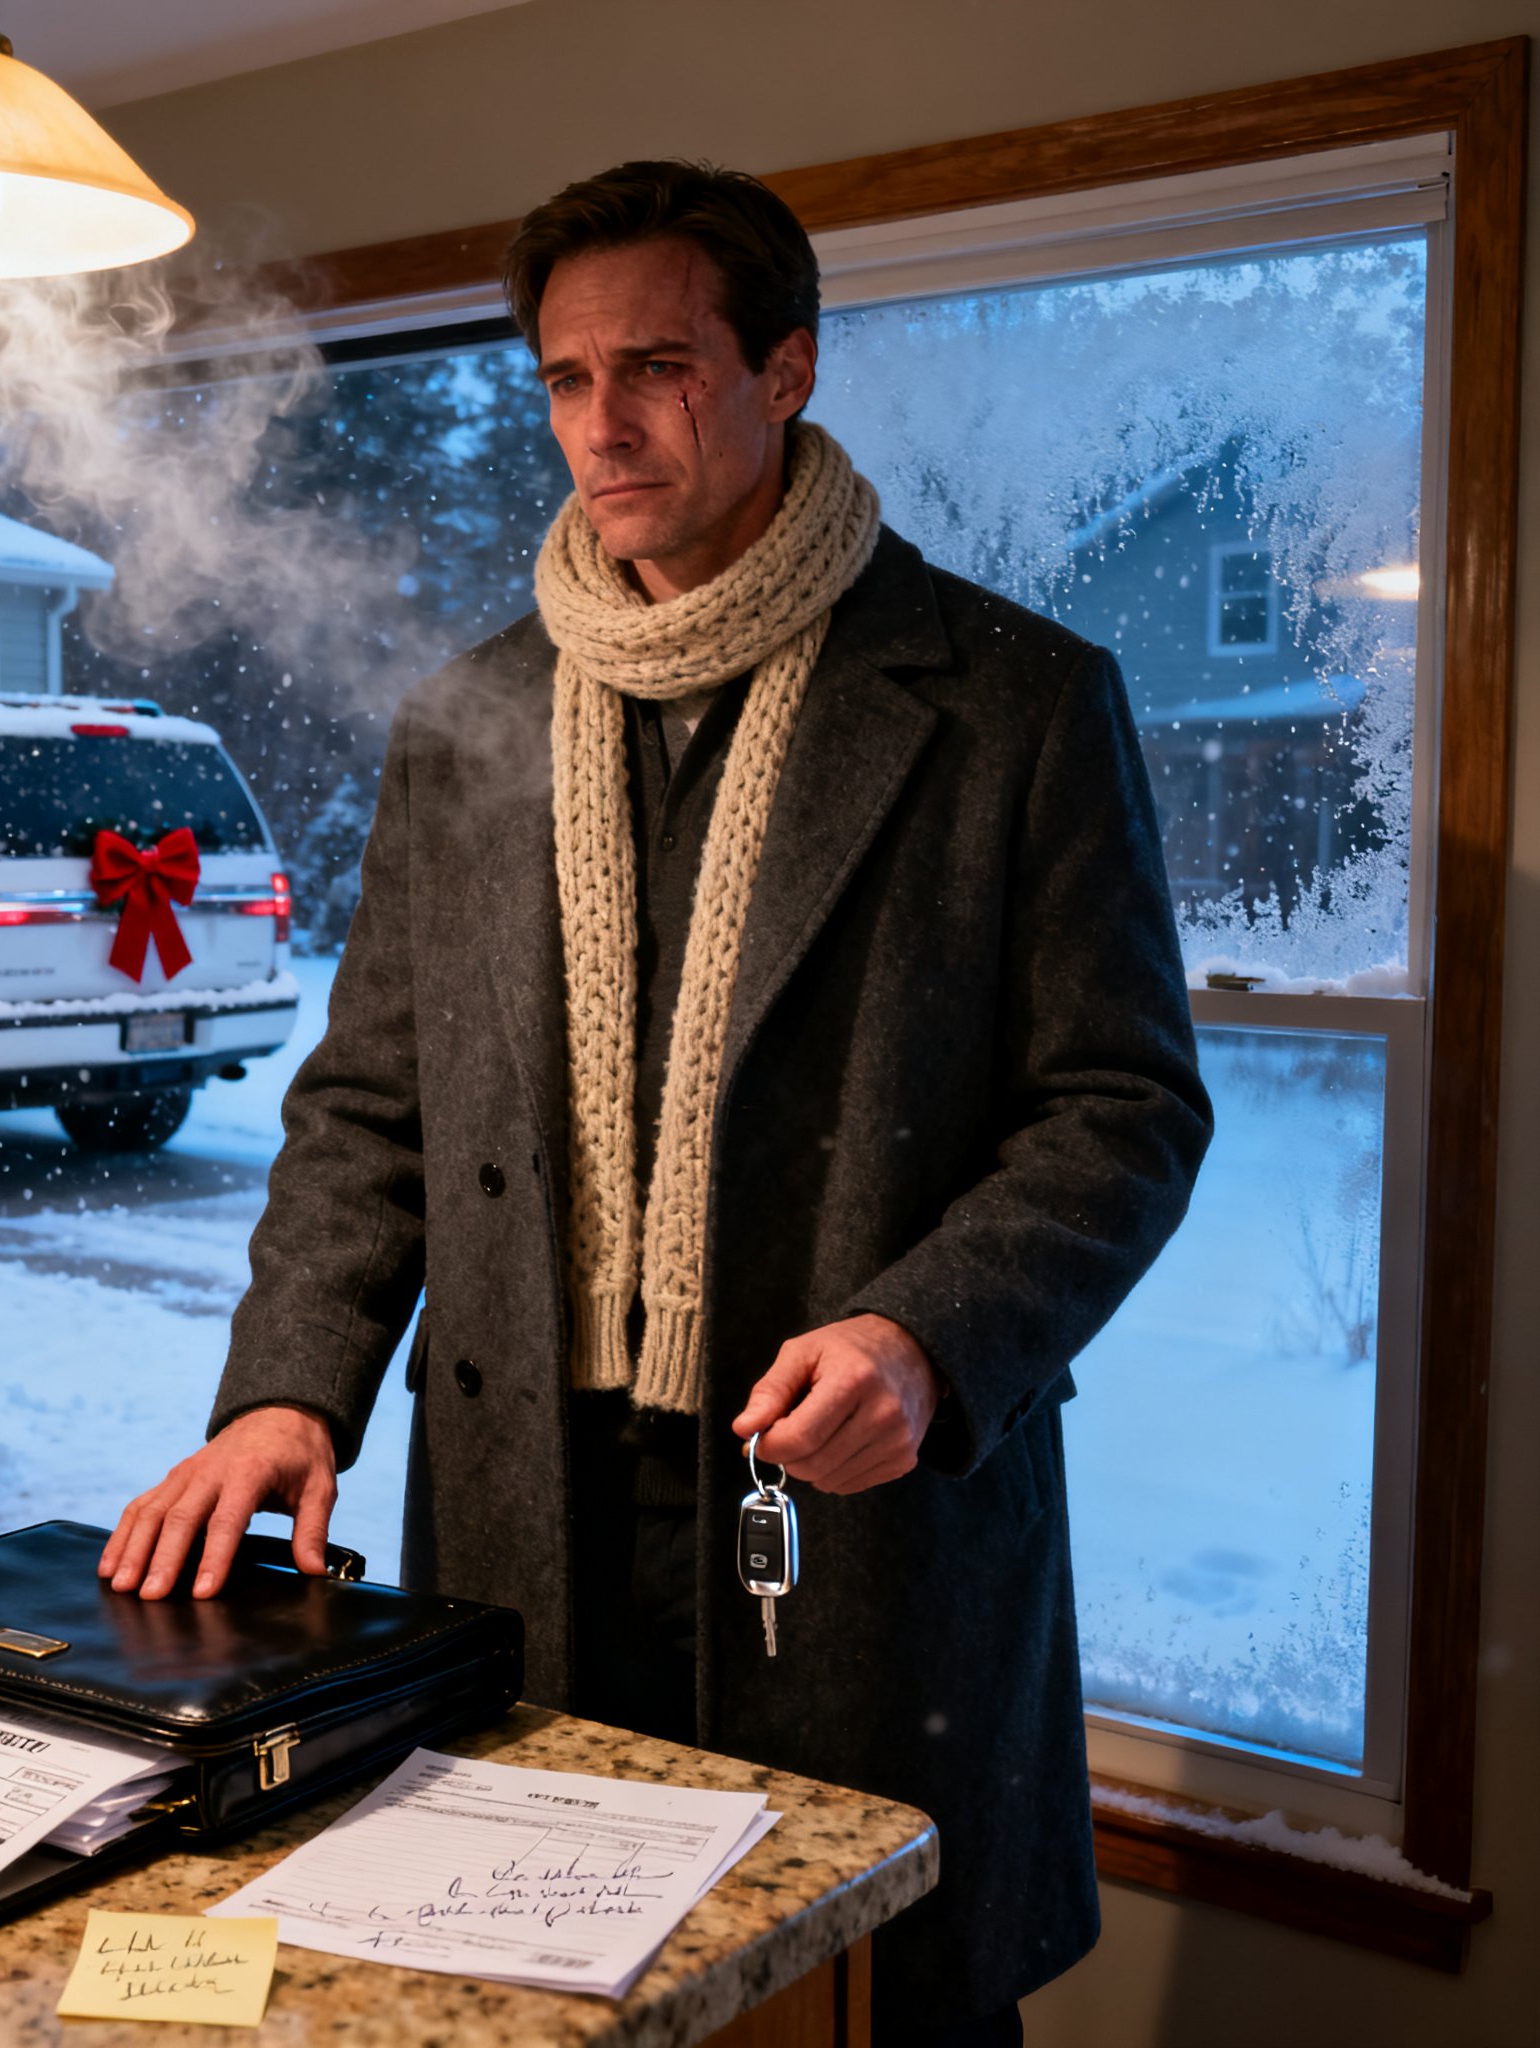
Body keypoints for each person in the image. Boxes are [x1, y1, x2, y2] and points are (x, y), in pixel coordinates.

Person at [99, 161, 1212, 2045]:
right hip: (533, 1497)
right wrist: (290, 1391)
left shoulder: (1016, 699)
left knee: (866, 2010)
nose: (598, 428)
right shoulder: (471, 717)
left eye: (660, 369)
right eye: (561, 378)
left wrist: (933, 1341)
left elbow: (1121, 1107)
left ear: (786, 370)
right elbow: (374, 1106)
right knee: (533, 2008)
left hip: (853, 1512)